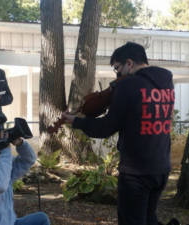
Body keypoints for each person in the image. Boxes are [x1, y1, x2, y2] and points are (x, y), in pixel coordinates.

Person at [62, 42, 175, 225]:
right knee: (149, 218)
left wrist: (76, 121)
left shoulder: (128, 85)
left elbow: (106, 127)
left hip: (136, 172)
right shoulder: (166, 81)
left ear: (129, 63)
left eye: (117, 68)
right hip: (161, 167)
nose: (117, 75)